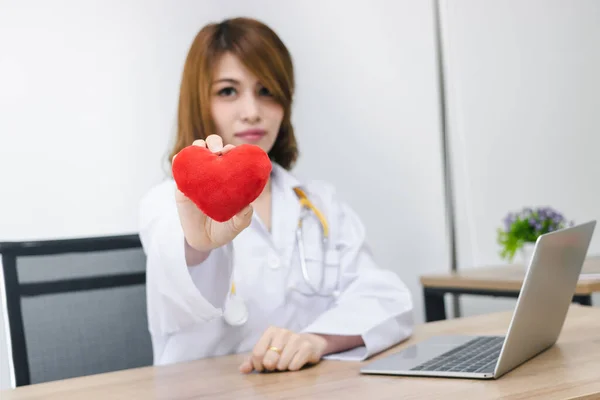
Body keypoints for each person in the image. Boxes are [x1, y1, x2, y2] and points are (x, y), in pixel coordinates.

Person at [139, 16, 414, 374]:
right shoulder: (163, 203)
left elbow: (385, 296)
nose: (252, 111)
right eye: (228, 91)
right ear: (199, 101)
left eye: (266, 90)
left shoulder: (318, 201)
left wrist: (316, 340)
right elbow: (174, 271)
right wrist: (199, 245)